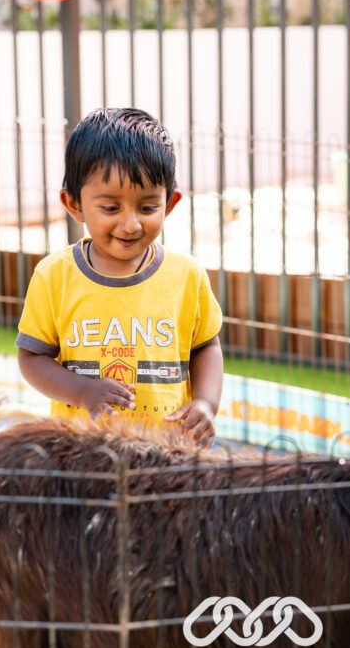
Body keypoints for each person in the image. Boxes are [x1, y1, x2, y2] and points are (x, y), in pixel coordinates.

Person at [16, 107, 223, 445]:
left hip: (168, 452)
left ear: (169, 204)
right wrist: (81, 391)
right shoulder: (54, 276)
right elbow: (31, 357)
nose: (131, 224)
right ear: (74, 203)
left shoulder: (186, 275)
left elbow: (207, 347)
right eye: (111, 208)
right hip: (84, 453)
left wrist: (205, 403)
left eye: (147, 207)